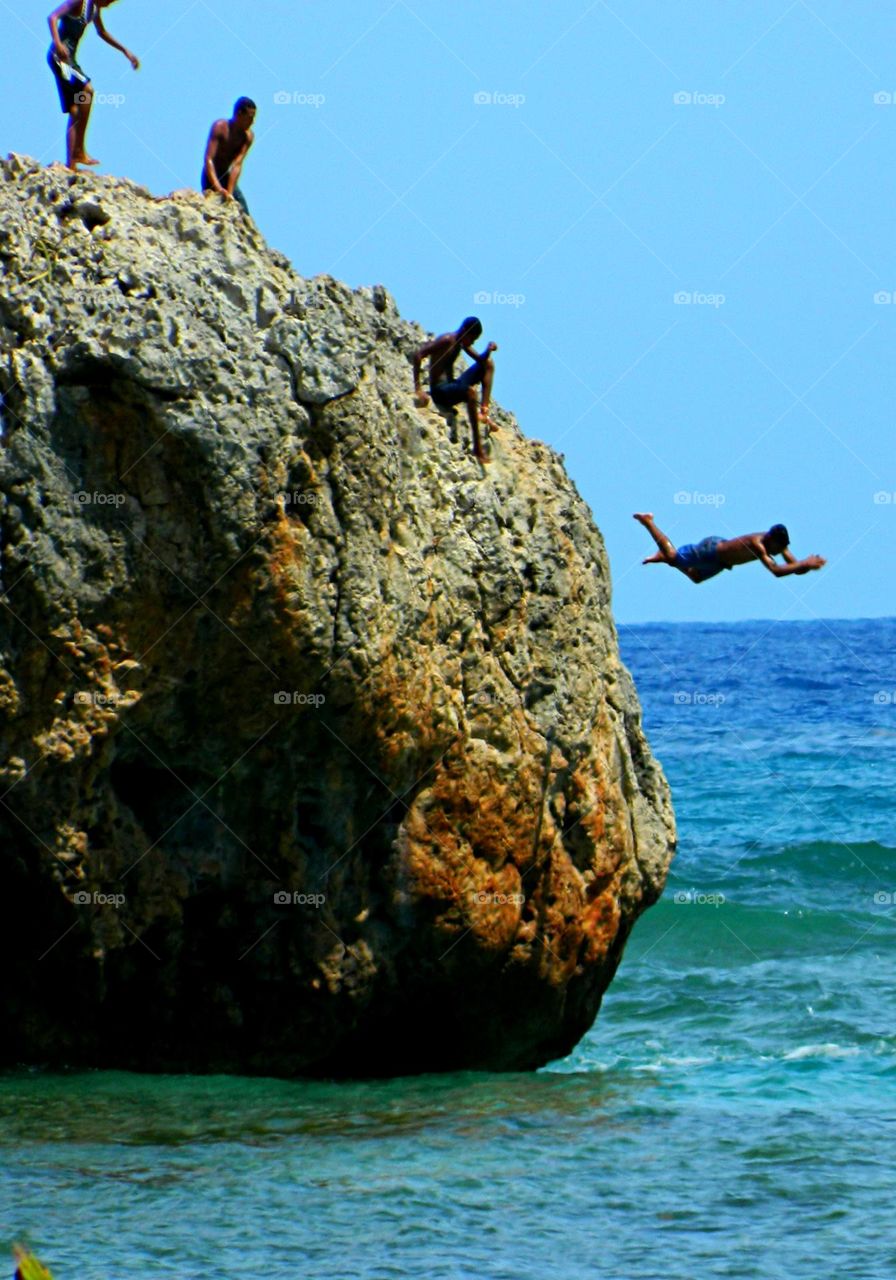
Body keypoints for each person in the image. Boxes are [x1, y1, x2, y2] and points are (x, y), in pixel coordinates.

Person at [47, 0, 139, 171]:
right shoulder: (78, 2)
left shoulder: (94, 9)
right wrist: (58, 44)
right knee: (87, 91)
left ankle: (71, 165)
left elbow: (102, 32)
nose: (109, 5)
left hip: (69, 60)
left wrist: (125, 51)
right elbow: (52, 18)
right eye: (109, 0)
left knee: (75, 109)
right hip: (60, 58)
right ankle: (79, 150)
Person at [633, 512, 826, 584]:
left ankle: (666, 558)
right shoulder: (757, 544)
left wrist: (806, 565)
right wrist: (805, 564)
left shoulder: (777, 545)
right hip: (711, 550)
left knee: (696, 577)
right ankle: (648, 522)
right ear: (770, 538)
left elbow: (795, 568)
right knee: (673, 555)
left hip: (721, 561)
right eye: (780, 548)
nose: (781, 551)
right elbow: (776, 571)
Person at [413, 317, 497, 464]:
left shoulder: (461, 343)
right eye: (473, 339)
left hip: (452, 386)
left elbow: (480, 360)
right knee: (471, 393)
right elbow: (418, 355)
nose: (473, 343)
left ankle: (484, 411)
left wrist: (488, 351)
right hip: (440, 391)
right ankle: (477, 448)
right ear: (465, 331)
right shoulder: (447, 340)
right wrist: (418, 388)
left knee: (488, 365)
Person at [201, 97, 256, 214]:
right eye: (250, 118)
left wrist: (230, 192)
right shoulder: (220, 127)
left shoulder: (248, 137)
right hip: (211, 176)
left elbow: (237, 165)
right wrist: (219, 188)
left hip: (227, 177)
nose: (253, 122)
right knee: (216, 207)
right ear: (239, 114)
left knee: (243, 211)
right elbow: (208, 159)